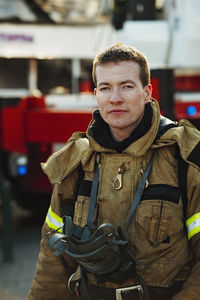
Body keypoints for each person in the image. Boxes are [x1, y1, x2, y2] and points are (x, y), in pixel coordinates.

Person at [27, 43, 200, 300]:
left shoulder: (184, 157)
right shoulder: (78, 160)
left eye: (127, 86)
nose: (115, 98)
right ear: (96, 94)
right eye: (106, 88)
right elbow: (53, 259)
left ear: (146, 92)